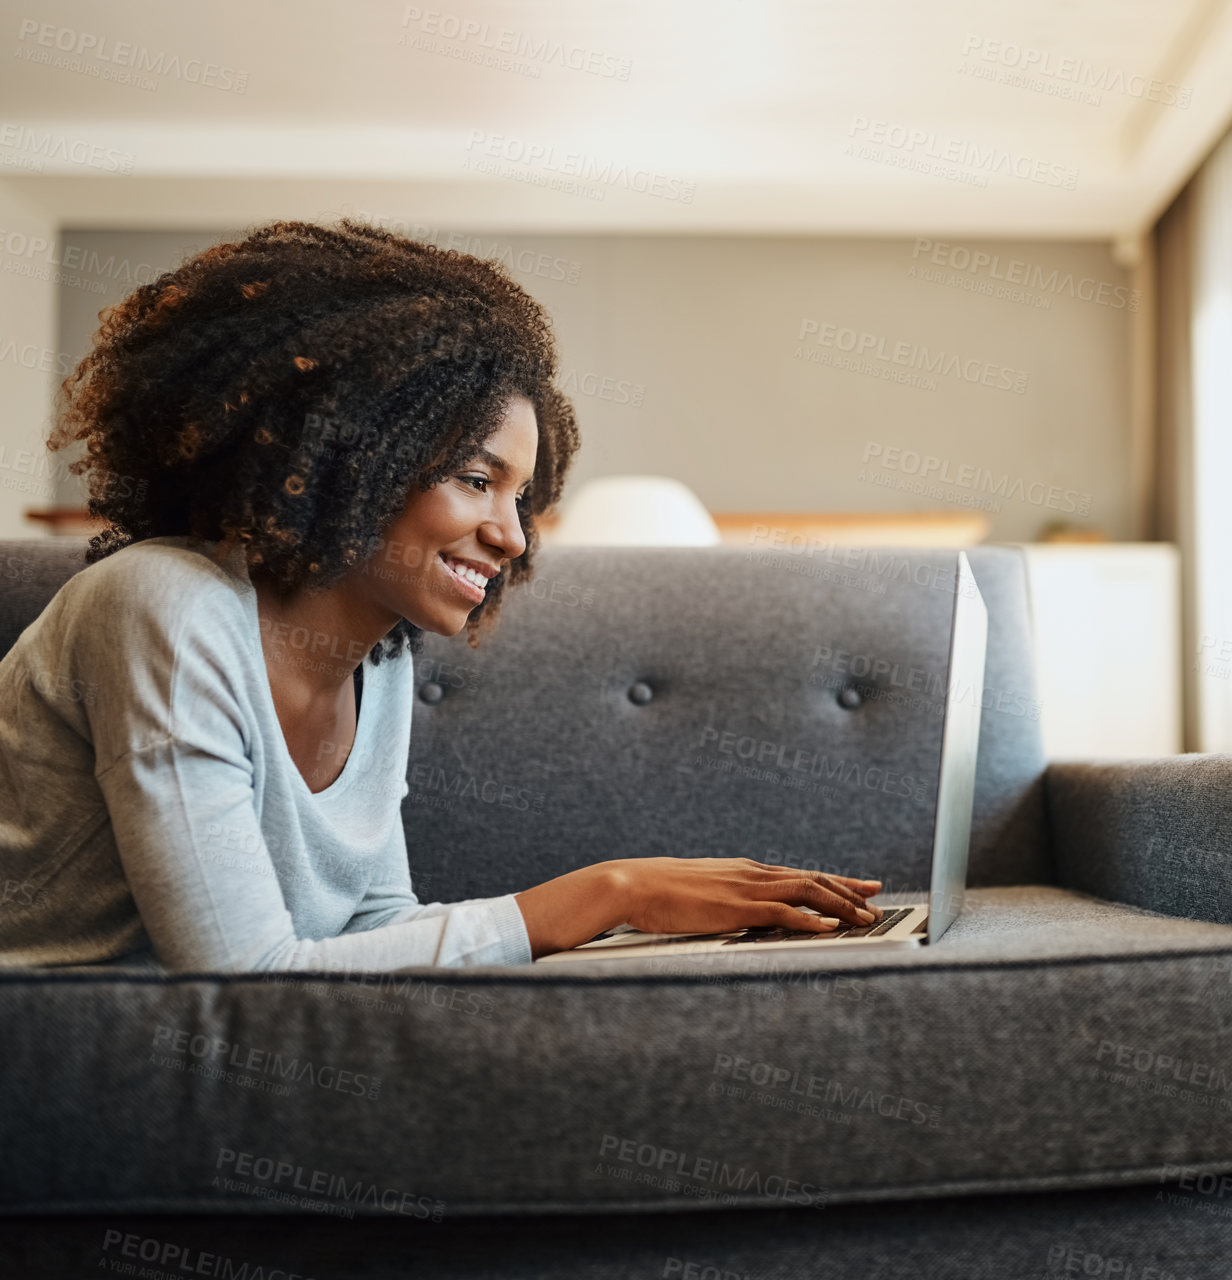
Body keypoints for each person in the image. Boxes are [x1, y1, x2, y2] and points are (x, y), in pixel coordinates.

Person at [0, 218, 882, 971]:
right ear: (343, 455)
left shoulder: (378, 656)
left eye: (524, 500)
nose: (514, 535)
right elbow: (242, 976)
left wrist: (626, 927)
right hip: (65, 1055)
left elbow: (374, 931)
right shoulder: (162, 604)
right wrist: (613, 892)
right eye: (474, 478)